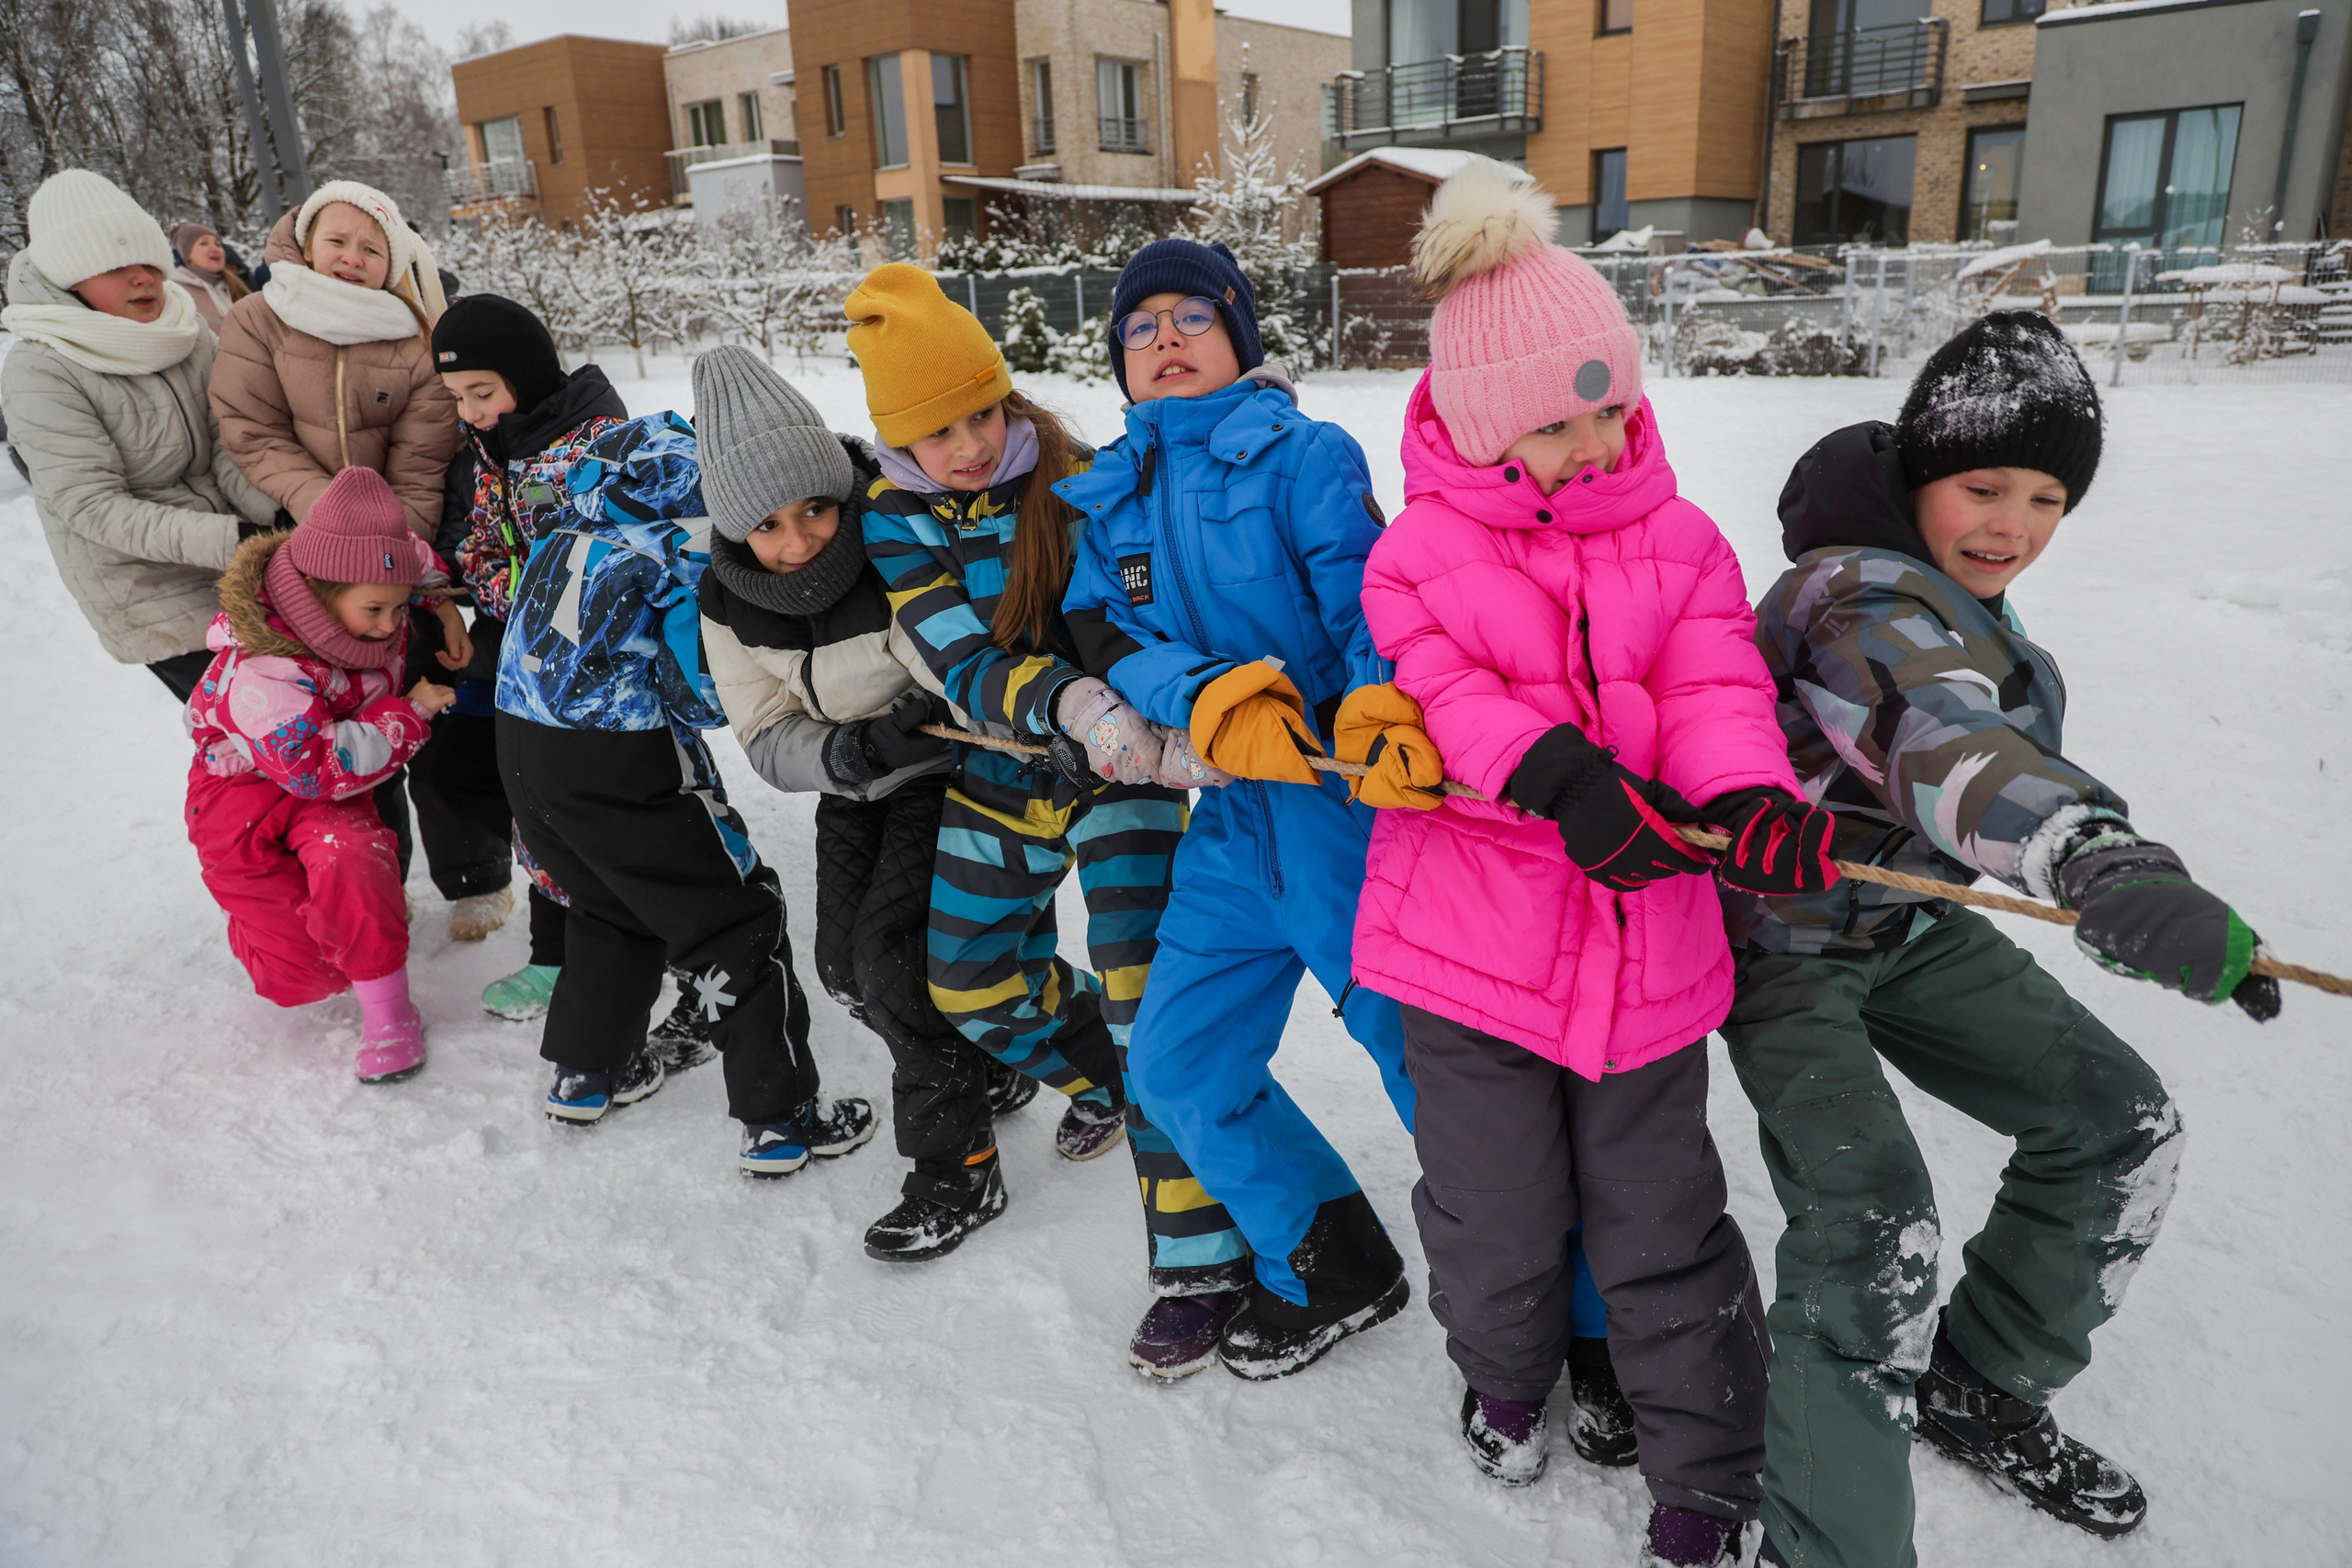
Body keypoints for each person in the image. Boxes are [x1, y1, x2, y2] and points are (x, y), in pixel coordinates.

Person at [1722, 310, 2271, 1566]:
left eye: (2046, 495)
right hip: (1784, 943)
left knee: (2117, 1122)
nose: (2010, 522)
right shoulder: (1856, 598)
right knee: (1871, 1227)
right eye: (1982, 485)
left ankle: (1981, 1378)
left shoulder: (1966, 604)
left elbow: (1973, 731)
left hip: (1910, 922)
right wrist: (2091, 850)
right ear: (1919, 474)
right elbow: (1942, 741)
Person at [1351, 166, 1822, 1563]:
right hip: (1468, 949)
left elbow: (1715, 681)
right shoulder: (1416, 552)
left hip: (1645, 952)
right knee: (1491, 1201)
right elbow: (1437, 685)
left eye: (1610, 403)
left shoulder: (1678, 539)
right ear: (1491, 426)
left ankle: (1707, 1477)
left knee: (1663, 1214)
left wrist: (1753, 796)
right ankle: (1503, 1373)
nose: (1596, 438)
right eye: (1560, 420)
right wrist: (1555, 773)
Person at [1056, 239, 1424, 1382]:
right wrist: (1203, 698)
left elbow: (1372, 599)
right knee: (1175, 1068)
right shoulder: (1109, 492)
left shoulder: (1304, 456)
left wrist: (1369, 710)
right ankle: (1334, 1260)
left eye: (1189, 318)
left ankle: (1559, 1307)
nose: (1163, 339)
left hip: (1341, 816)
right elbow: (1103, 637)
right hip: (1225, 825)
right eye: (1139, 327)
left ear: (1239, 339)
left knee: (1432, 1075)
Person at [853, 264, 1230, 1373]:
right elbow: (961, 657)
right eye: (936, 431)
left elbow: (1145, 603)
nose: (968, 444)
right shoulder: (892, 516)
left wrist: (1157, 703)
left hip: (1126, 776)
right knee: (964, 978)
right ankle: (1094, 1075)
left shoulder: (1075, 479)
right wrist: (1058, 699)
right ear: (895, 442)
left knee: (1147, 1005)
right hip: (1006, 771)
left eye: (980, 412)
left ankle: (1199, 1257)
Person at [693, 345, 1046, 1260]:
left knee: (891, 961)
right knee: (845, 971)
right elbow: (765, 731)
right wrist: (847, 753)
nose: (801, 538)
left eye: (815, 506)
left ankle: (954, 1164)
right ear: (736, 537)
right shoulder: (725, 603)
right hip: (853, 783)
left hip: (946, 773)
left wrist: (926, 715)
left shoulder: (893, 538)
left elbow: (958, 652)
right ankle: (987, 1064)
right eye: (770, 525)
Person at [495, 403, 875, 1176]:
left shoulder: (575, 517)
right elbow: (702, 691)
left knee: (608, 903)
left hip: (520, 749)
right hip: (623, 760)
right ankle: (781, 1118)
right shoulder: (682, 543)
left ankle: (588, 1071)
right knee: (737, 919)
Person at [209, 180, 461, 897]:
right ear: (305, 240)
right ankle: (375, 884)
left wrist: (394, 559)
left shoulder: (414, 338)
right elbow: (252, 432)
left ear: (395, 261)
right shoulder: (259, 318)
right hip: (305, 561)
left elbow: (420, 464)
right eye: (337, 241)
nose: (351, 258)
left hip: (393, 563)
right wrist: (337, 522)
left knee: (417, 707)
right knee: (333, 727)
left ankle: (470, 872)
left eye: (371, 248)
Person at [183, 466, 469, 1082]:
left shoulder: (369, 579)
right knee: (304, 977)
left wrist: (439, 605)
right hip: (246, 794)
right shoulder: (264, 668)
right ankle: (266, 927)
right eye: (377, 609)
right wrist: (411, 712)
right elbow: (318, 766)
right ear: (317, 590)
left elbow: (412, 562)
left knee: (354, 858)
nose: (394, 624)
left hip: (323, 790)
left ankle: (391, 1014)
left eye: (399, 606)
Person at [427, 292, 632, 1018]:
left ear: (525, 374)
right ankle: (568, 945)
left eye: (481, 391)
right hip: (525, 665)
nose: (469, 410)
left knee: (596, 811)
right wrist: (513, 593)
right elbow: (480, 546)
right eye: (457, 396)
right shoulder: (496, 446)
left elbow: (608, 566)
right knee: (514, 797)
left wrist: (531, 596)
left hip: (602, 679)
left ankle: (613, 940)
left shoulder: (594, 445)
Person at [0, 171, 276, 700]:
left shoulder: (187, 333)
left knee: (334, 722)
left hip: (242, 559)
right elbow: (91, 505)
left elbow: (228, 443)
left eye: (149, 261)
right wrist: (237, 540)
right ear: (69, 276)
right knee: (275, 742)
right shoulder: (42, 367)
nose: (142, 278)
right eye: (114, 267)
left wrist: (274, 516)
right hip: (151, 589)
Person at [171, 220, 249, 332]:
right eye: (204, 243)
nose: (215, 249)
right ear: (187, 255)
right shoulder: (176, 291)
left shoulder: (233, 288)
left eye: (218, 244)